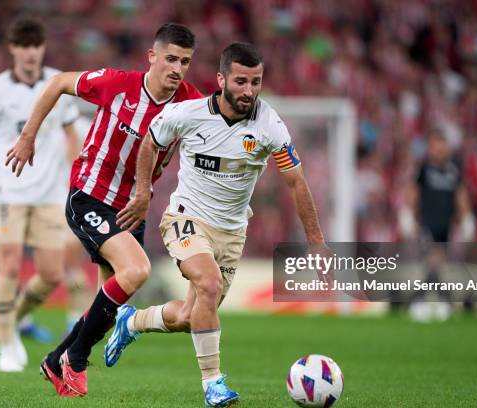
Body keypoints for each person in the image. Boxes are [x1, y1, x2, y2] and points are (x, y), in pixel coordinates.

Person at [106, 42, 328, 407]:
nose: (249, 91)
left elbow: (296, 181)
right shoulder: (189, 113)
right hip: (185, 217)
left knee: (190, 316)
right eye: (241, 81)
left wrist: (316, 242)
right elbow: (150, 140)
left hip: (232, 231)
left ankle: (132, 322)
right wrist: (143, 191)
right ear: (222, 79)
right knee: (207, 283)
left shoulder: (269, 123)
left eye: (256, 82)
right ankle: (213, 384)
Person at [5, 23, 202, 396]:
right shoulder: (117, 84)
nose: (177, 68)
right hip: (90, 196)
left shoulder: (191, 104)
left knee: (105, 306)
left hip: (131, 209)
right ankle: (76, 360)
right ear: (153, 57)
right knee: (137, 269)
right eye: (171, 59)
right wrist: (28, 136)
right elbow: (60, 81)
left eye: (186, 62)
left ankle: (55, 360)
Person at [0, 17, 80, 372]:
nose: (29, 53)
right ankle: (7, 344)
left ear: (42, 49)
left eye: (35, 46)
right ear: (12, 49)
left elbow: (72, 139)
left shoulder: (58, 83)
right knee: (8, 264)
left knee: (52, 274)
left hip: (50, 193)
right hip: (8, 190)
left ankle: (15, 315)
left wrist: (80, 184)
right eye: (23, 46)